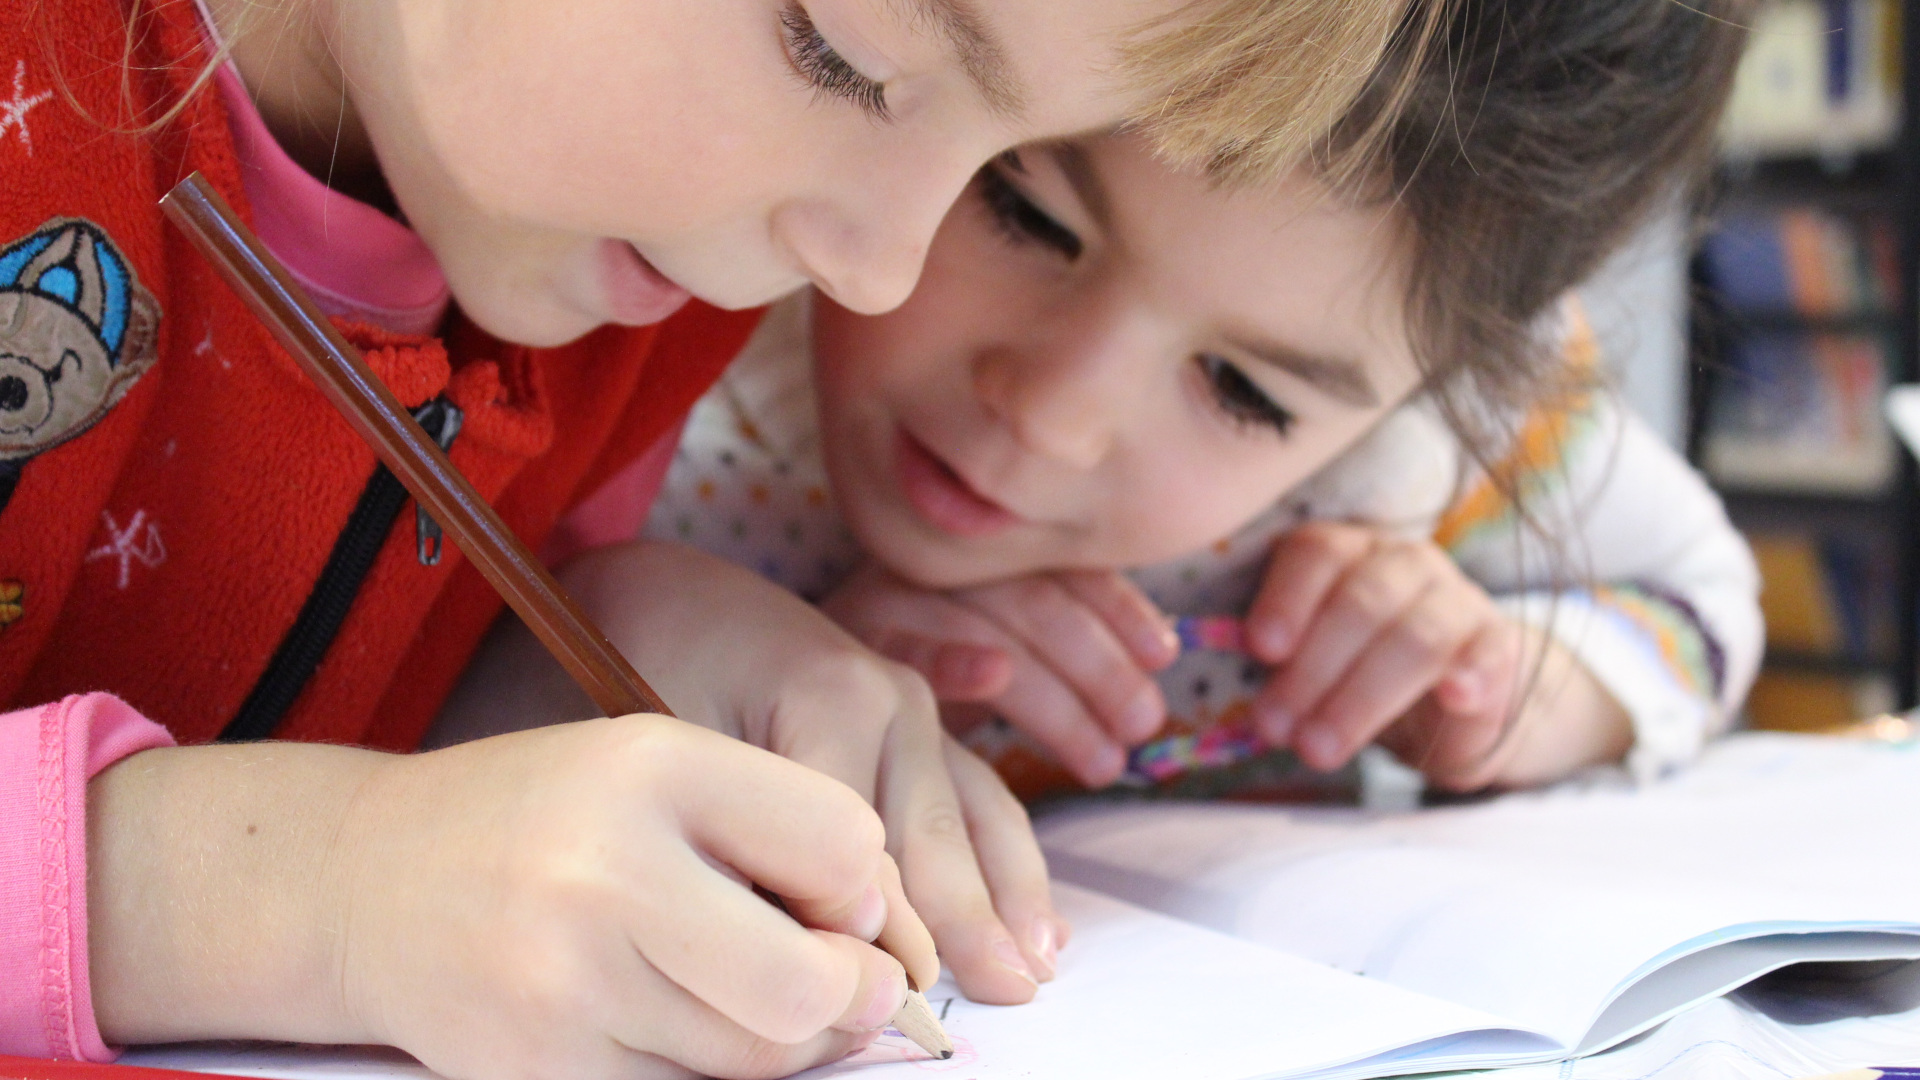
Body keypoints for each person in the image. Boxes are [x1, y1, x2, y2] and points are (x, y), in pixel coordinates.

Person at [0, 0, 1435, 1077]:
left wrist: (589, 656)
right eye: (843, 54)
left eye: (1000, 155)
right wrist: (323, 895)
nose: (876, 272)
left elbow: (321, 702)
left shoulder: (631, 282)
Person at [607, 0, 1763, 811]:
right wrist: (692, 663)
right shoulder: (668, 306)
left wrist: (1514, 686)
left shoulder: (1424, 453)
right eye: (1029, 217)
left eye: (1244, 394)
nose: (1053, 417)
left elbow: (1703, 599)